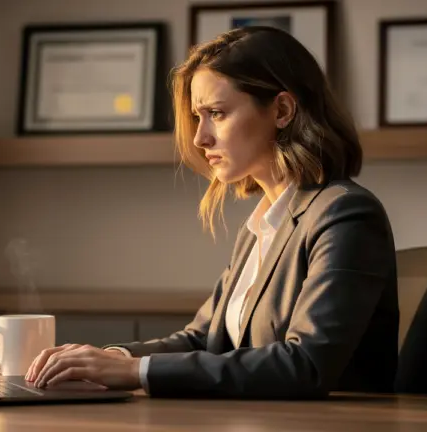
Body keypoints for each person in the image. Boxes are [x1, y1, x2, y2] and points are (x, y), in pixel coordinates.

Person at [24, 26, 399, 399]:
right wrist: (110, 359)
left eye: (216, 113)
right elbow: (204, 338)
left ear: (282, 110)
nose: (200, 138)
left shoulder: (345, 214)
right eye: (197, 117)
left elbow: (306, 365)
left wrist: (134, 371)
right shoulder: (263, 224)